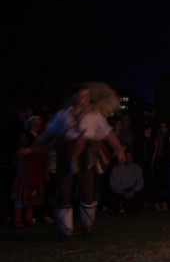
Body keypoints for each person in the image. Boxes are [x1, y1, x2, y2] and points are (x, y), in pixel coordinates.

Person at [34, 82, 125, 239]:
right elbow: (48, 133)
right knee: (64, 192)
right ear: (74, 97)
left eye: (88, 96)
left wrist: (118, 148)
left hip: (86, 154)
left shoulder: (95, 115)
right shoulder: (63, 114)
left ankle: (87, 225)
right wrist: (32, 147)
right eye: (83, 95)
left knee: (87, 190)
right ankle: (66, 231)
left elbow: (108, 133)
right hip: (65, 154)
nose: (86, 99)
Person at [10, 116, 47, 228]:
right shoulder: (24, 136)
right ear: (29, 124)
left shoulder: (41, 137)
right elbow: (20, 152)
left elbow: (44, 152)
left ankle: (28, 218)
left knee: (34, 193)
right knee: (21, 194)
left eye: (39, 124)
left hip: (37, 169)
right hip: (25, 169)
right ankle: (17, 219)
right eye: (35, 123)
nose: (37, 126)